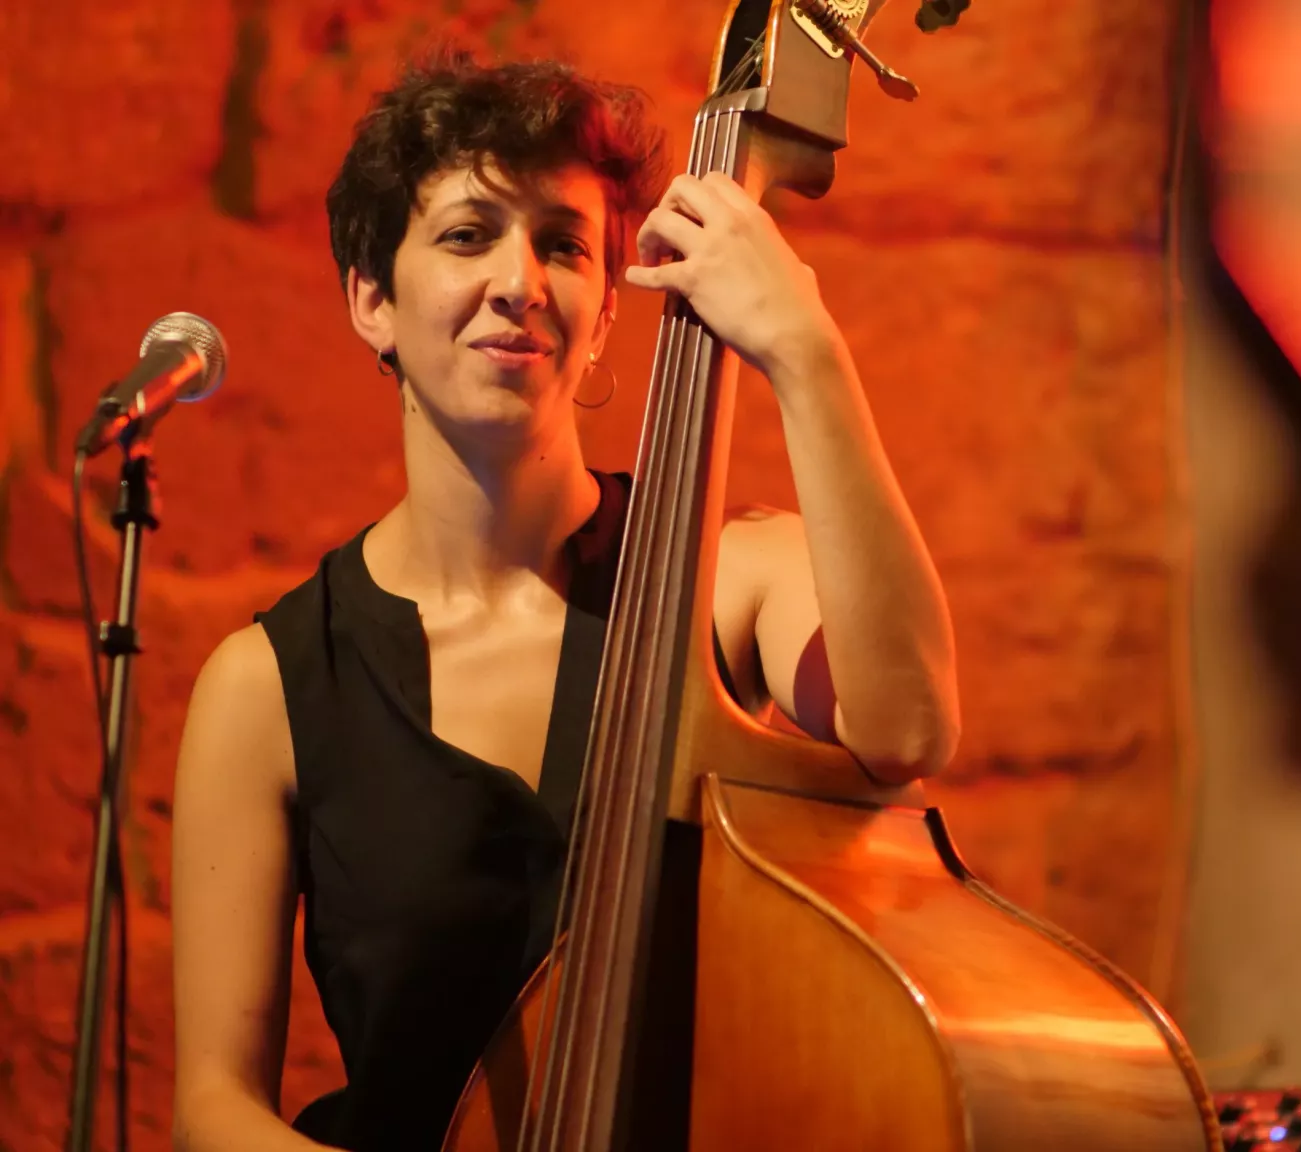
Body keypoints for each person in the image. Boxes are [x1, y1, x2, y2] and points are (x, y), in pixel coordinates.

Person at [168, 53, 960, 1152]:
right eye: (467, 235)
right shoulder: (270, 686)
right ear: (371, 301)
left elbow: (907, 727)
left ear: (606, 312)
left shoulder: (730, 579)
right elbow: (212, 1108)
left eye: (564, 244)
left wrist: (804, 348)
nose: (520, 282)